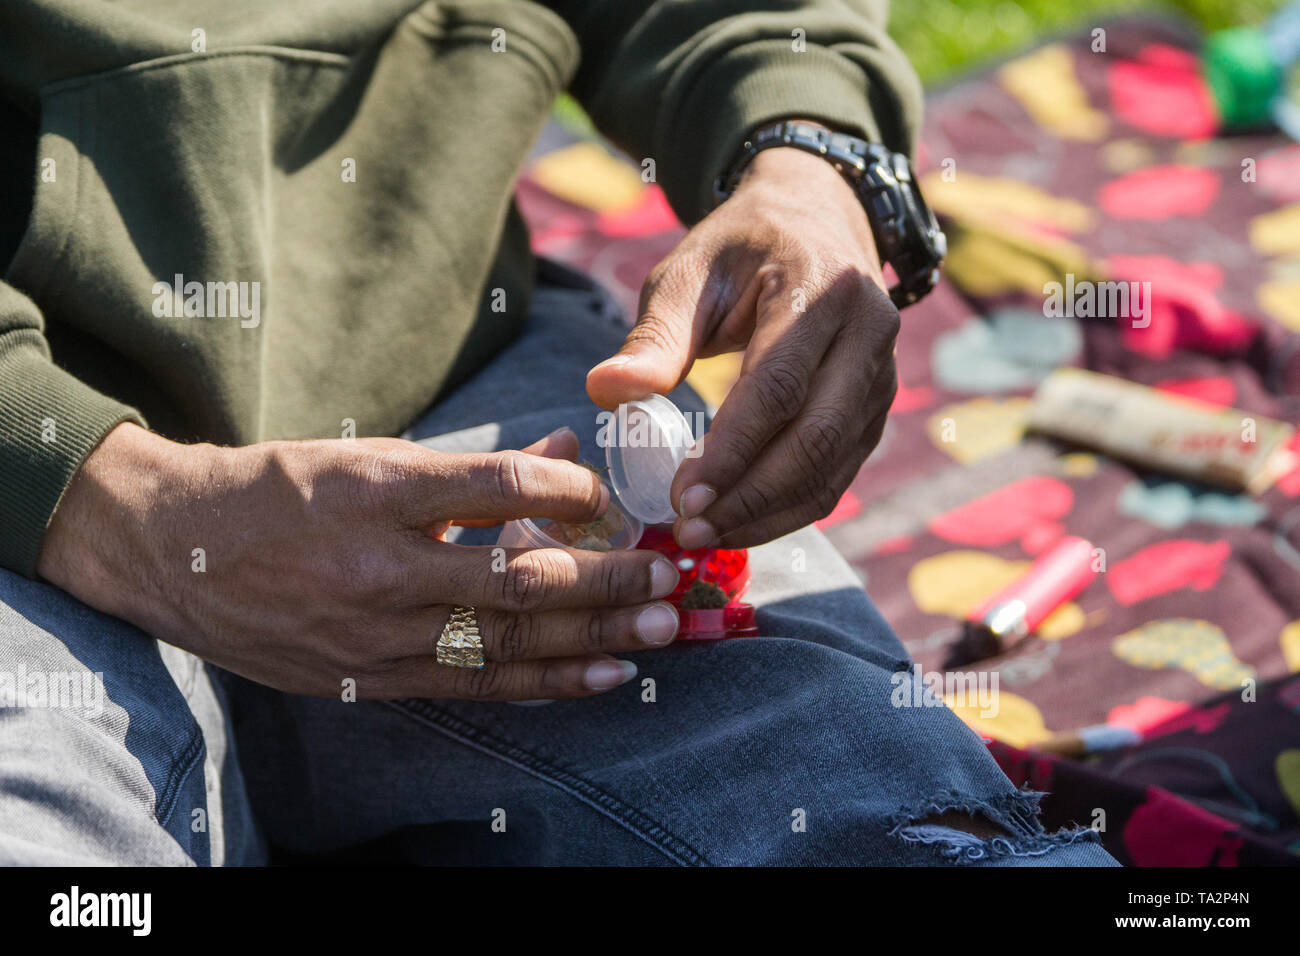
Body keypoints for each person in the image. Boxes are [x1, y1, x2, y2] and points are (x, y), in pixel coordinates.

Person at [0, 0, 1115, 865]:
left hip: (451, 379)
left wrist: (809, 157)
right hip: (32, 500)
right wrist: (99, 493)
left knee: (883, 796)